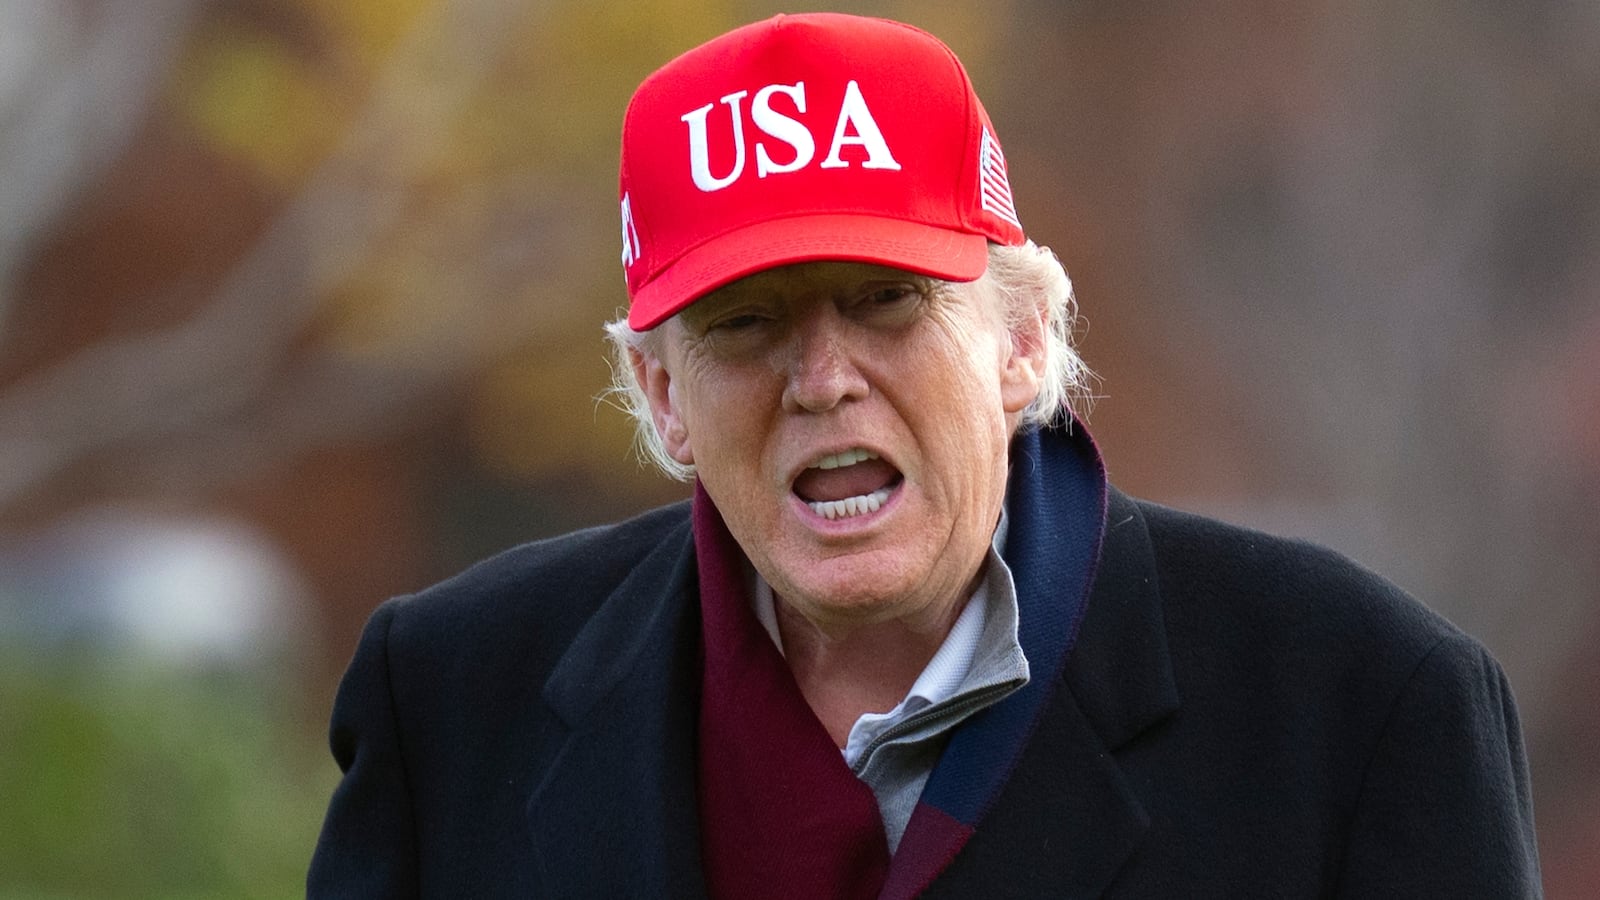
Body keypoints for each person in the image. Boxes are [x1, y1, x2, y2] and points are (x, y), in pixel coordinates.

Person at [308, 12, 1540, 898]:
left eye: (886, 301)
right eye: (745, 323)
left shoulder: (1357, 709)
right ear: (660, 394)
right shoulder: (454, 703)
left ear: (1019, 338)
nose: (823, 377)